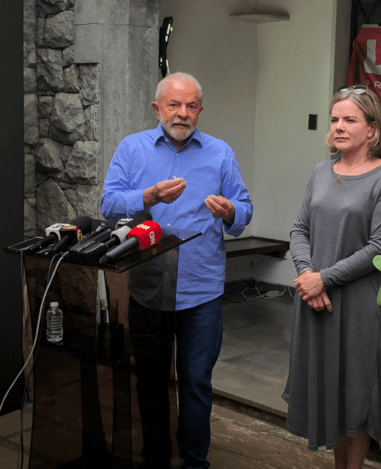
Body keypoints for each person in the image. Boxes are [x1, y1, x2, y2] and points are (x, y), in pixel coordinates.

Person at [100, 72, 253, 469]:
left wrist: (231, 212)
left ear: (200, 110)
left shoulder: (220, 153)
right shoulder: (132, 148)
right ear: (157, 109)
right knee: (150, 381)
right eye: (174, 105)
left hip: (202, 291)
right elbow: (108, 205)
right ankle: (155, 458)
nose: (182, 113)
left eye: (191, 106)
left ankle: (195, 462)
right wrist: (147, 196)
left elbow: (244, 209)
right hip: (148, 285)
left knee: (196, 383)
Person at [282, 85, 381, 469]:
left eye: (349, 119)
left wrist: (324, 279)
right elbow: (299, 229)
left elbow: (379, 249)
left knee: (356, 392)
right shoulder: (321, 171)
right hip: (316, 299)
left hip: (358, 305)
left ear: (372, 129)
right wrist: (307, 274)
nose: (338, 126)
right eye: (335, 119)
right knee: (330, 390)